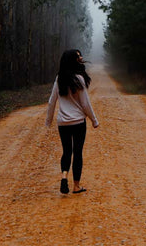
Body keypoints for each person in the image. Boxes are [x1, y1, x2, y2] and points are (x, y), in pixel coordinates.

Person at [45, 49, 100, 194]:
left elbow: (52, 102)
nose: (81, 57)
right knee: (78, 152)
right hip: (78, 123)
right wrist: (94, 120)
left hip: (62, 123)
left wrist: (48, 121)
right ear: (72, 60)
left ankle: (64, 177)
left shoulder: (59, 79)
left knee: (66, 151)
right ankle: (76, 186)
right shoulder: (79, 79)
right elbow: (85, 104)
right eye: (78, 56)